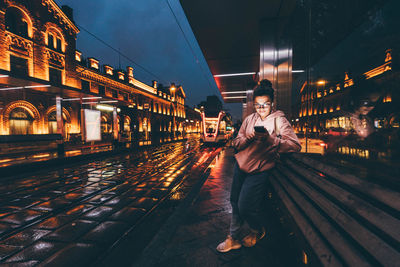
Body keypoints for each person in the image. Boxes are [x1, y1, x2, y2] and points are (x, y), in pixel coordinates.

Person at [216, 79, 301, 252]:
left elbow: (294, 145)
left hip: (260, 170)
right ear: (254, 104)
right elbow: (236, 143)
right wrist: (249, 137)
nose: (261, 108)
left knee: (245, 206)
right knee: (234, 201)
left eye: (265, 104)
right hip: (241, 166)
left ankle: (257, 229)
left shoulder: (280, 121)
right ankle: (232, 237)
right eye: (257, 105)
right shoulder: (249, 120)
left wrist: (270, 139)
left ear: (272, 103)